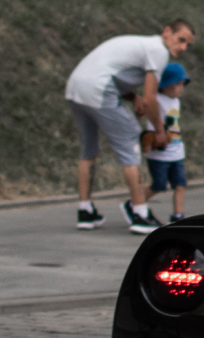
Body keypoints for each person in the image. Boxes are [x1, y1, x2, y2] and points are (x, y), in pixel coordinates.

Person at [65, 21, 196, 232]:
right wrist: (160, 131)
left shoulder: (140, 43)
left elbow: (111, 72)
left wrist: (132, 95)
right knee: (133, 142)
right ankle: (140, 212)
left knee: (89, 150)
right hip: (99, 89)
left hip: (75, 88)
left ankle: (85, 211)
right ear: (167, 32)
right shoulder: (158, 50)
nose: (183, 48)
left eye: (188, 45)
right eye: (181, 40)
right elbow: (151, 99)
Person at [143, 63, 191, 221]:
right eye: (177, 83)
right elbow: (152, 125)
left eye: (182, 83)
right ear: (165, 85)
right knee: (158, 185)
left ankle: (178, 215)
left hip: (177, 152)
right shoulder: (156, 101)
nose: (181, 87)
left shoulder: (176, 101)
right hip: (159, 155)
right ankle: (135, 204)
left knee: (180, 184)